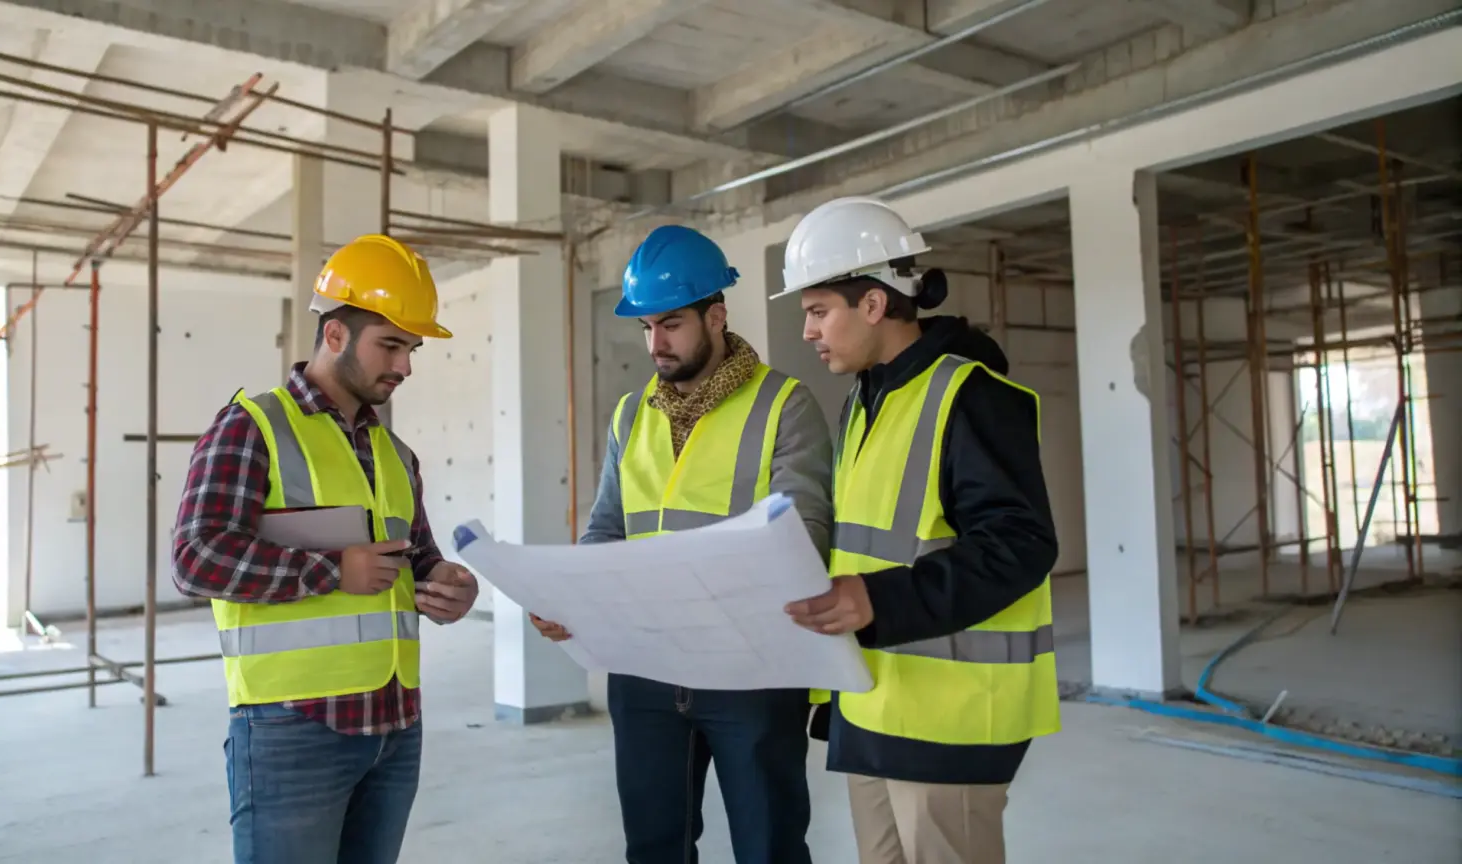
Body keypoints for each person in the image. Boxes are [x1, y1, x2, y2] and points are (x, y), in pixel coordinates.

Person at [172, 234, 481, 864]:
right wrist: (334, 570)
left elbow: (415, 556)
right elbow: (195, 556)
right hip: (292, 727)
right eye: (390, 345)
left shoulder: (396, 454)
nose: (404, 366)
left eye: (411, 348)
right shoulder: (251, 427)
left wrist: (447, 583)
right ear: (335, 335)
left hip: (396, 725)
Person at [530, 224, 834, 864]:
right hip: (646, 671)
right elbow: (607, 528)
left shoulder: (785, 405)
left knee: (769, 846)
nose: (655, 343)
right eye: (646, 327)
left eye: (671, 324)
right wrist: (572, 595)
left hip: (751, 670)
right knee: (654, 848)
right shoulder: (629, 414)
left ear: (715, 316)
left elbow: (805, 535)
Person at [774, 197, 1061, 864]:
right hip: (874, 703)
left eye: (819, 311)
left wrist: (881, 601)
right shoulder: (865, 401)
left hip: (951, 716)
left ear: (873, 304)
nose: (810, 331)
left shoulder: (972, 395)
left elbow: (1020, 545)